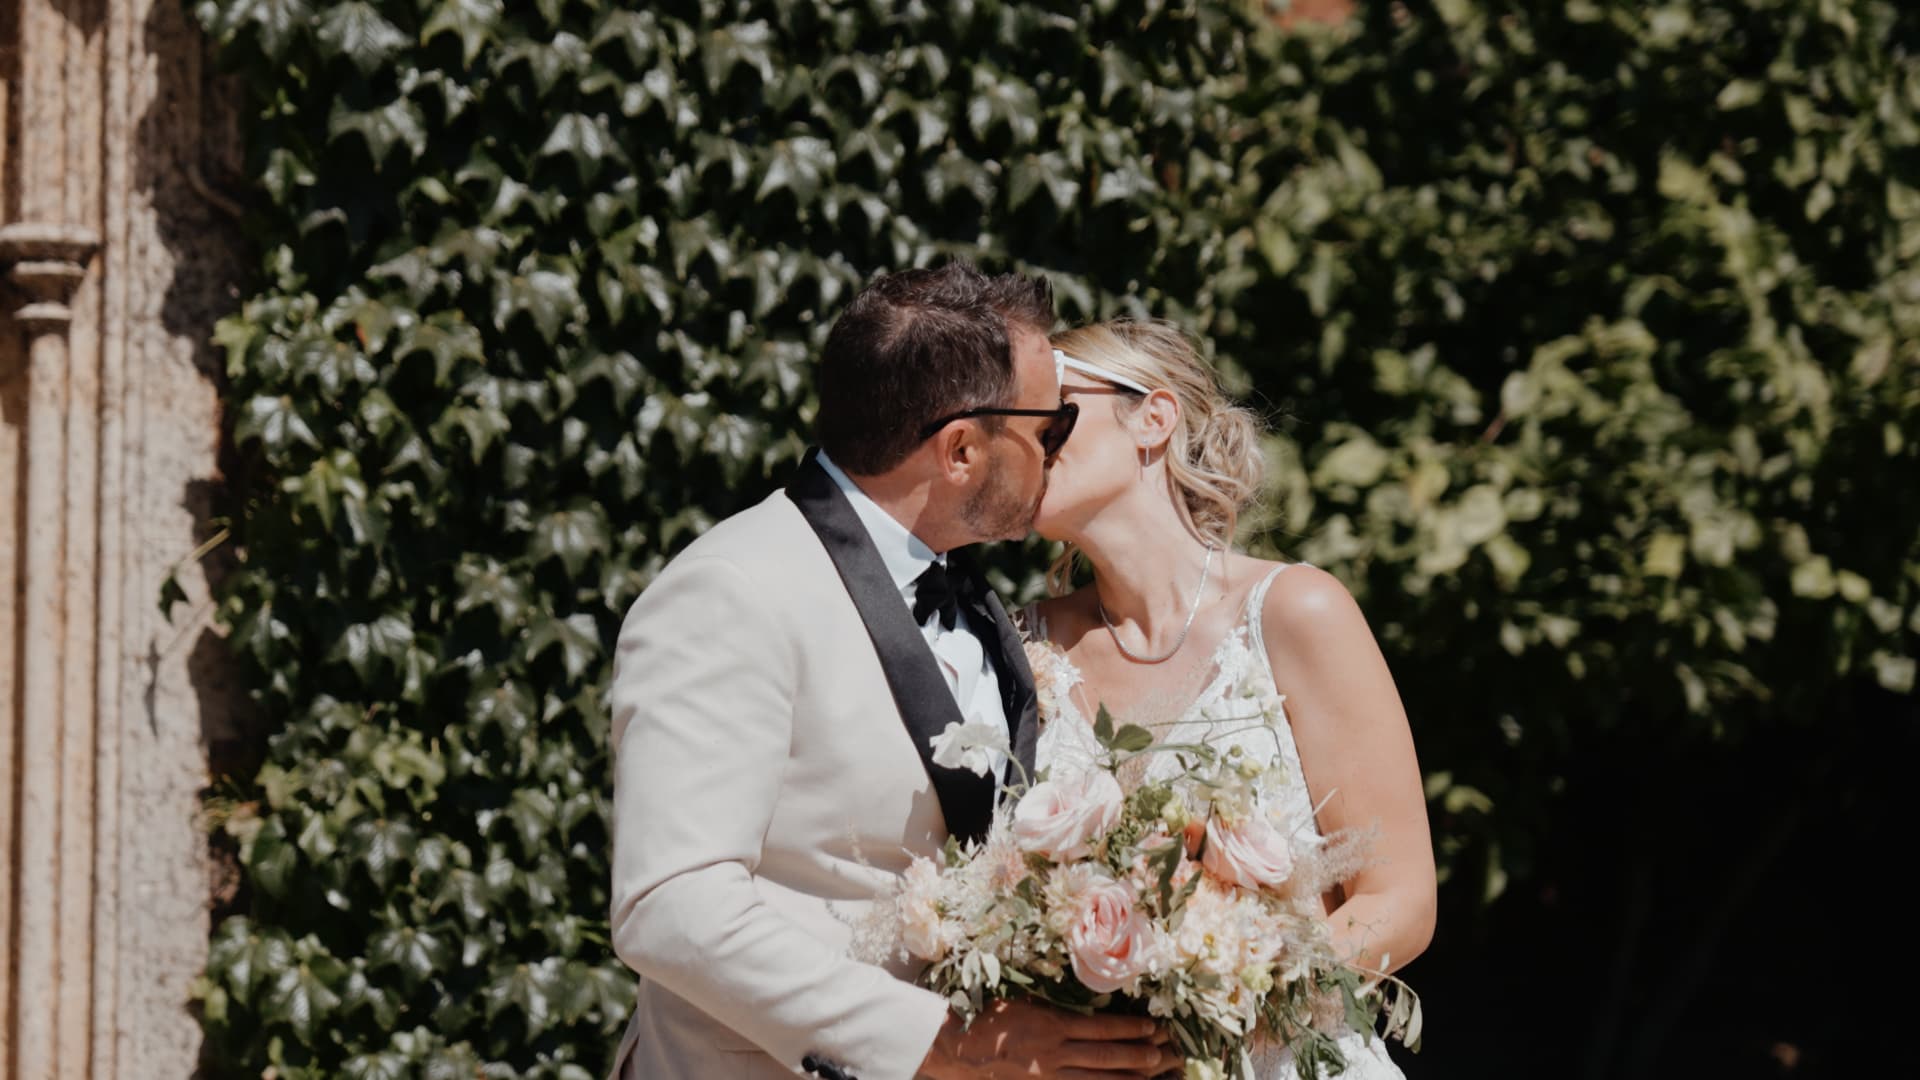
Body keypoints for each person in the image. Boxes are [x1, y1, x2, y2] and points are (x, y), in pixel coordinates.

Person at [606, 263, 1181, 1080]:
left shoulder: (978, 600)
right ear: (959, 451)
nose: (1059, 453)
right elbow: (671, 904)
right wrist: (944, 1043)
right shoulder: (731, 590)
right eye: (1049, 430)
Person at [1023, 319, 1437, 1078]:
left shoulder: (1297, 612)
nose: (1027, 437)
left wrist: (1225, 1000)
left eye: (1055, 411)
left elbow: (1401, 896)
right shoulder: (1021, 647)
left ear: (1153, 416)